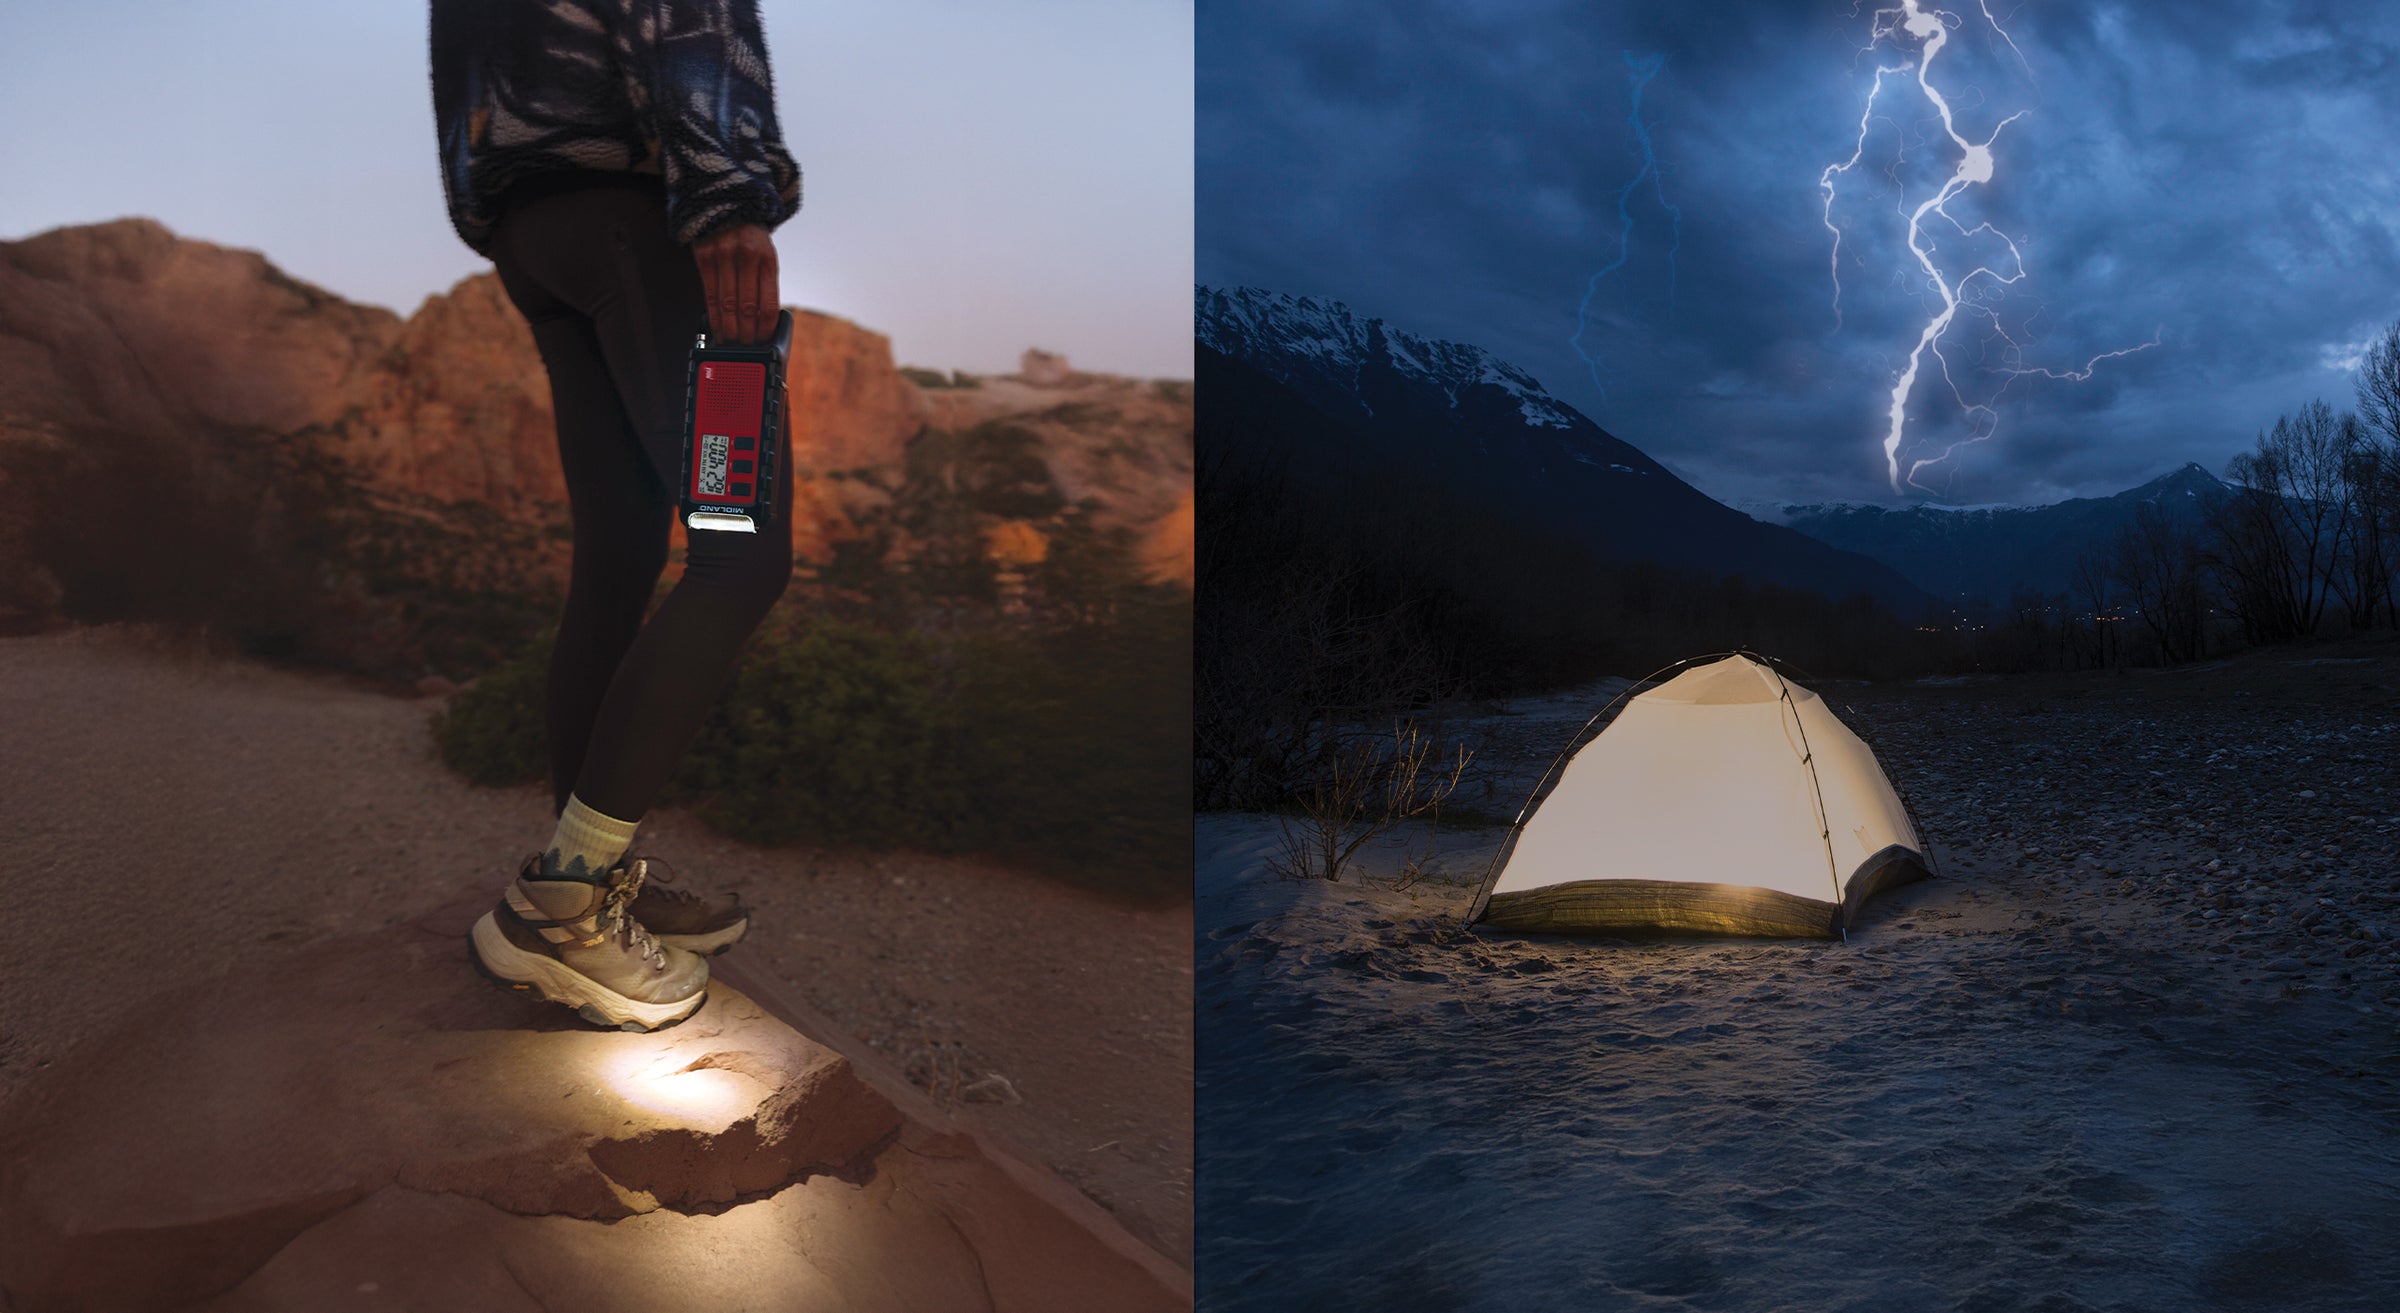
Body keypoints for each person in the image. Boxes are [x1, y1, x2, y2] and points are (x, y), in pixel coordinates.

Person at [431, 0, 802, 1031]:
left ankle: (588, 868)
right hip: (634, 208)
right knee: (742, 560)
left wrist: (497, 205)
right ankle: (567, 898)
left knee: (621, 554)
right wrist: (726, 191)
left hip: (534, 222)